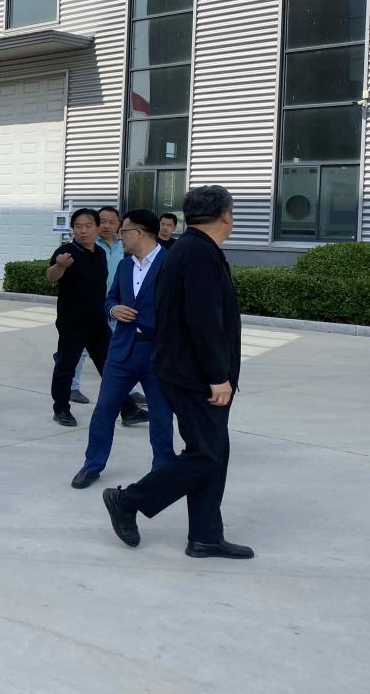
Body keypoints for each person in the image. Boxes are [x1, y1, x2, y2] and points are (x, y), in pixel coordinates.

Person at [101, 186, 253, 560]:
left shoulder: (190, 249)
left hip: (185, 370)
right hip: (195, 375)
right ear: (226, 215)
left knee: (211, 452)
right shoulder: (198, 253)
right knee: (207, 455)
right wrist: (218, 375)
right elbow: (203, 320)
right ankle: (129, 500)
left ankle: (205, 536)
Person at [72, 210, 173, 489]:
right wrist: (113, 309)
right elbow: (111, 298)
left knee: (161, 414)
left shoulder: (171, 263)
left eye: (123, 232)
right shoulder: (125, 265)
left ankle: (162, 470)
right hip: (121, 350)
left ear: (139, 233)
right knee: (104, 410)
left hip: (157, 352)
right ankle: (92, 465)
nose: (119, 237)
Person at [46, 208, 111, 427]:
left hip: (98, 322)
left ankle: (127, 407)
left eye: (88, 226)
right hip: (72, 322)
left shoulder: (100, 253)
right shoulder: (66, 252)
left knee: (110, 366)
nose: (83, 231)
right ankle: (61, 409)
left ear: (97, 228)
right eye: (78, 226)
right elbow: (51, 276)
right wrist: (60, 266)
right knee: (66, 367)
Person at [67, 206, 123, 405]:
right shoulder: (89, 246)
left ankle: (127, 391)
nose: (106, 226)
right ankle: (72, 387)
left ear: (119, 225)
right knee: (82, 349)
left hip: (115, 306)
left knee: (117, 348)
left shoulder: (123, 246)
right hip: (92, 306)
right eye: (103, 221)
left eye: (111, 222)